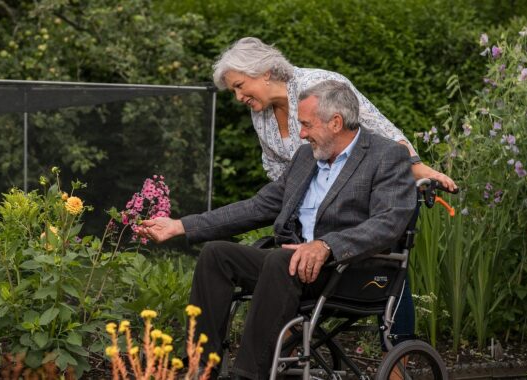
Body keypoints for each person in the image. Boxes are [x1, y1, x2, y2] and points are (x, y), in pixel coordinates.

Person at [139, 81, 417, 379]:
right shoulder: (306, 157)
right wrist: (180, 225)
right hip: (295, 266)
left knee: (280, 259)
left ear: (336, 123)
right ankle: (201, 366)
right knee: (216, 256)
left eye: (307, 125)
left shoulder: (385, 156)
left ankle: (247, 374)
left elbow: (389, 222)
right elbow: (257, 207)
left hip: (350, 269)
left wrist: (326, 245)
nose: (301, 134)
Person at [212, 36, 457, 191]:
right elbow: (274, 164)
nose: (238, 97)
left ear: (264, 71)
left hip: (351, 195)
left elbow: (379, 127)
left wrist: (414, 166)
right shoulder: (260, 113)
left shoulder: (319, 84)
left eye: (239, 86)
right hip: (308, 206)